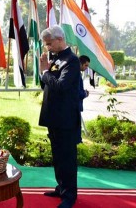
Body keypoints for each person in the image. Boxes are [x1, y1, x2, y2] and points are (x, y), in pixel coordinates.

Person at [38, 25, 81, 208]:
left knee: (67, 158)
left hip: (66, 119)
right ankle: (61, 188)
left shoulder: (72, 61)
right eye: (46, 44)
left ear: (60, 39)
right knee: (57, 156)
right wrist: (44, 72)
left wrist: (45, 72)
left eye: (49, 43)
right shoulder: (55, 59)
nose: (47, 47)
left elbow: (61, 87)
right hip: (54, 117)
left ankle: (70, 195)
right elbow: (46, 86)